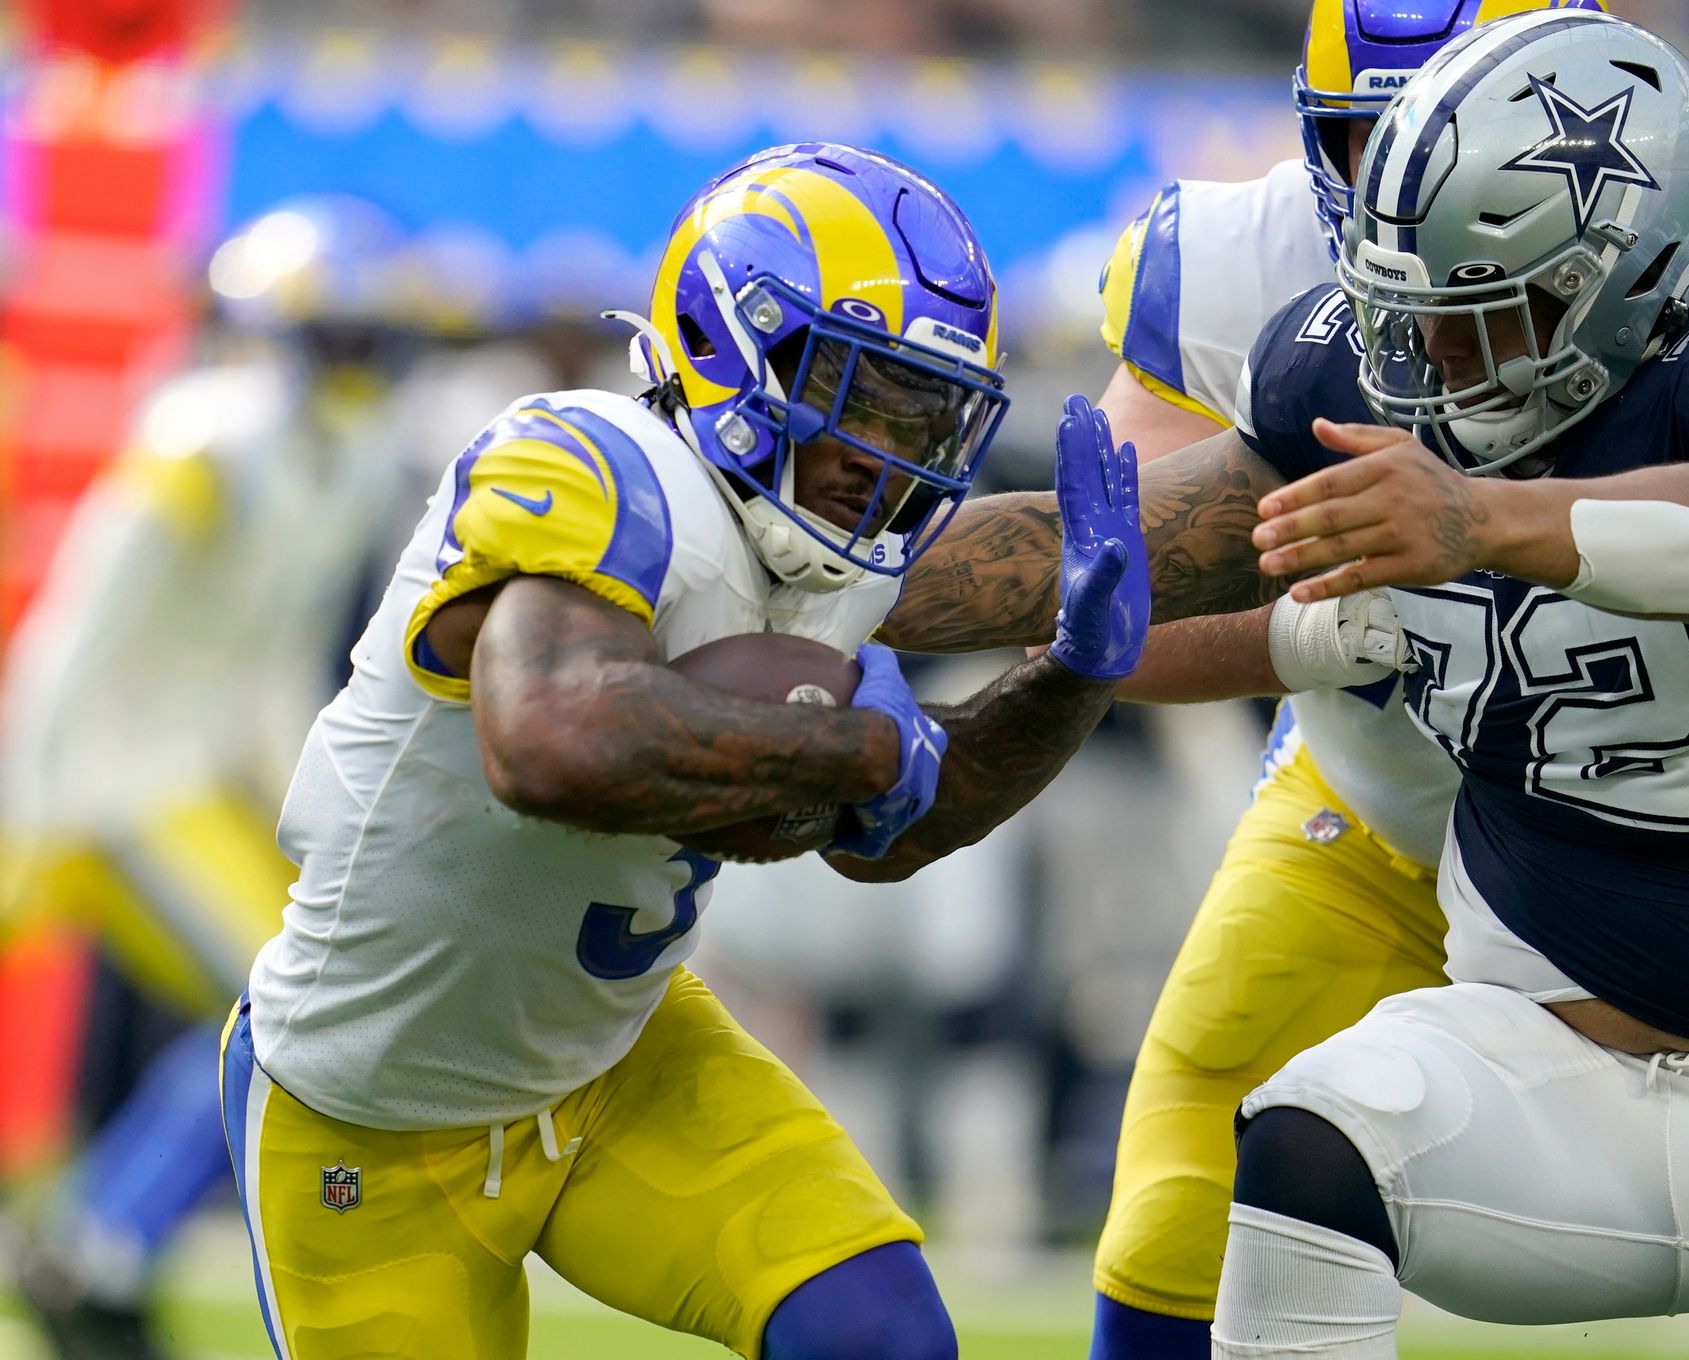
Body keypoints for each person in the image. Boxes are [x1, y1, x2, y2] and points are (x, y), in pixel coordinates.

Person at [1076, 1, 1689, 1356]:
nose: (1415, 187)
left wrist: (1647, 599)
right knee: (1190, 1197)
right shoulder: (1243, 265)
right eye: (1372, 140)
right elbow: (1132, 620)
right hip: (1378, 818)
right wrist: (1360, 629)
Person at [218, 142, 1149, 1360]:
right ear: (727, 343)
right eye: (862, 395)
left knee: (883, 1339)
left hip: (622, 1057)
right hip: (374, 1112)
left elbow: (907, 825)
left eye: (923, 410)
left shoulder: (820, 553)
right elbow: (550, 743)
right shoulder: (594, 460)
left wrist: (1075, 673)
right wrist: (856, 747)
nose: (891, 448)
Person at [0, 196, 422, 1360]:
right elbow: (81, 625)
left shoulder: (354, 464)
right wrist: (32, 800)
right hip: (98, 781)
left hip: (176, 782)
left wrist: (308, 803)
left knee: (289, 1010)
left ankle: (98, 1242)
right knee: (291, 1004)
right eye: (335, 338)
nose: (355, 363)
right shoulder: (203, 440)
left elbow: (271, 664)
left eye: (367, 338)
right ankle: (96, 1243)